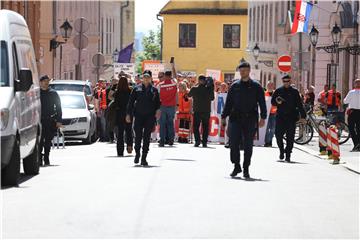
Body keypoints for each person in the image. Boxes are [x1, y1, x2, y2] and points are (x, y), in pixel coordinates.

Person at [221, 62, 267, 178]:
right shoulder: (234, 86)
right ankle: (236, 166)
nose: (243, 73)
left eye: (245, 70)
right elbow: (228, 103)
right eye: (241, 71)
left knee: (248, 145)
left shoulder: (256, 86)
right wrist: (223, 117)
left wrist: (263, 117)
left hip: (250, 119)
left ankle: (246, 167)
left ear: (249, 71)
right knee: (234, 143)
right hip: (235, 118)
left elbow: (262, 103)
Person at [126, 70, 161, 166]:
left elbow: (158, 103)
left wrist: (158, 110)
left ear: (150, 79)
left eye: (148, 77)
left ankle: (144, 157)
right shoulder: (136, 89)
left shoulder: (154, 90)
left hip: (150, 117)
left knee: (146, 137)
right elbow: (130, 102)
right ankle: (137, 153)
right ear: (142, 78)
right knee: (138, 136)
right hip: (138, 116)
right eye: (144, 77)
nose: (146, 78)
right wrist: (128, 114)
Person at [271, 75, 306, 162]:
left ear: (290, 82)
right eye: (284, 81)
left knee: (290, 137)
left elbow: (299, 105)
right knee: (278, 135)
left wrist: (303, 116)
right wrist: (277, 102)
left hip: (291, 117)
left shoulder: (294, 92)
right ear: (282, 82)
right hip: (280, 117)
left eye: (287, 81)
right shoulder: (278, 91)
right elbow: (273, 102)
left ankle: (288, 154)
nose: (286, 83)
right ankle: (281, 150)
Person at [39, 75, 62, 166]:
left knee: (48, 140)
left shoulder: (53, 93)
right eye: (44, 81)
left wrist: (59, 120)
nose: (46, 82)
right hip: (39, 120)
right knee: (40, 141)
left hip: (50, 120)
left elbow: (58, 107)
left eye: (47, 81)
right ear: (40, 82)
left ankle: (46, 157)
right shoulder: (37, 93)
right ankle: (39, 158)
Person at [188, 75, 215, 147]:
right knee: (205, 127)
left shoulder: (194, 88)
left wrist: (195, 85)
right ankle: (204, 142)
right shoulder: (209, 89)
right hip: (206, 111)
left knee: (196, 127)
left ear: (199, 80)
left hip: (197, 111)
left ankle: (197, 141)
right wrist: (211, 87)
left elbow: (189, 95)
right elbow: (212, 98)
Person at [158, 70, 178, 147]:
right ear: (170, 76)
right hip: (172, 106)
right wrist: (177, 105)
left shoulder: (160, 85)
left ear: (165, 76)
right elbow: (176, 95)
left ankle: (162, 141)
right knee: (170, 124)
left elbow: (158, 97)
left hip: (162, 106)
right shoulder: (174, 84)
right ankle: (171, 140)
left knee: (162, 124)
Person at [344, 79, 360, 152]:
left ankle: (356, 143)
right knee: (359, 129)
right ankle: (358, 144)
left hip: (352, 112)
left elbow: (345, 101)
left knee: (351, 128)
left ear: (355, 84)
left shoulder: (351, 92)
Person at [264, 81, 277, 147]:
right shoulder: (264, 94)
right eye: (268, 85)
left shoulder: (276, 93)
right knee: (266, 128)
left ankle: (270, 140)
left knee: (273, 128)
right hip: (266, 113)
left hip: (274, 113)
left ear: (273, 86)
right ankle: (267, 142)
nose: (270, 87)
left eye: (271, 85)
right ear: (266, 86)